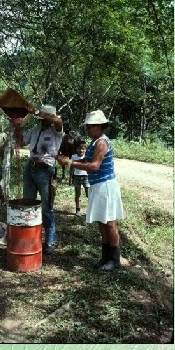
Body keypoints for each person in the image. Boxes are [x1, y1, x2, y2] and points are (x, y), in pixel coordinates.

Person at [60, 110, 124, 271]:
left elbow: (94, 166)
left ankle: (115, 260)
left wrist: (70, 163)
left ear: (97, 126)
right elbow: (86, 160)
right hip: (98, 186)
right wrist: (69, 160)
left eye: (89, 127)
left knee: (109, 223)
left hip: (105, 186)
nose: (87, 130)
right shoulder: (95, 142)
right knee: (101, 222)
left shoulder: (102, 143)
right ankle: (105, 257)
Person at [15, 104, 64, 254]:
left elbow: (57, 120)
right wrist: (17, 127)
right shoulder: (35, 130)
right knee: (28, 203)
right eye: (41, 118)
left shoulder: (57, 131)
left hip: (46, 170)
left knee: (46, 207)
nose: (42, 120)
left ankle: (50, 240)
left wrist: (37, 111)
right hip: (30, 167)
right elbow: (21, 142)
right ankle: (30, 236)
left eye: (44, 117)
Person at [71, 141, 90, 217]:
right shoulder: (73, 156)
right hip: (76, 177)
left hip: (86, 176)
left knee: (88, 194)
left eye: (83, 149)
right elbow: (71, 168)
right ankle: (77, 209)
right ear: (76, 149)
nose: (81, 150)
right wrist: (70, 177)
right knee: (77, 194)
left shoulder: (87, 156)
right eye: (79, 148)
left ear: (85, 149)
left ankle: (90, 210)